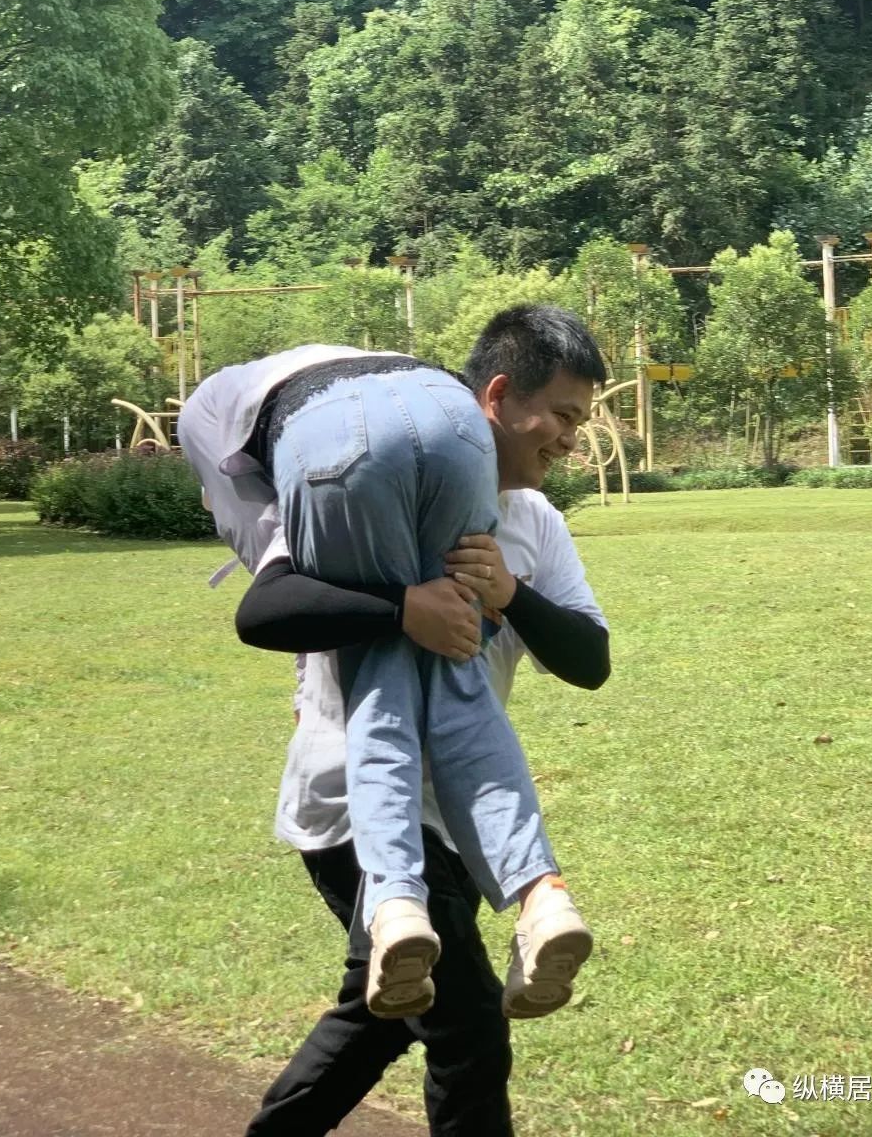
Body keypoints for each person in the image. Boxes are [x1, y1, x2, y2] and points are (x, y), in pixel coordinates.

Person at [234, 306, 611, 1137]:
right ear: (499, 397)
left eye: (580, 423)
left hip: (464, 819)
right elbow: (265, 609)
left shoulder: (535, 524)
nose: (570, 440)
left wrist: (511, 593)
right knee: (469, 1030)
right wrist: (402, 605)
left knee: (379, 1016)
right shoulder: (360, 479)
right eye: (562, 416)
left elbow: (590, 660)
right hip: (355, 806)